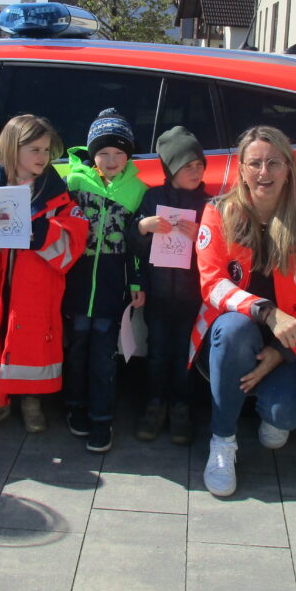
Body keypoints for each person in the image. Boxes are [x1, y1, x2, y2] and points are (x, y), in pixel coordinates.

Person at [193, 126, 296, 497]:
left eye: (274, 163)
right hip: (239, 329)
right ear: (241, 168)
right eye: (255, 163)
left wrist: (282, 351)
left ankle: (274, 412)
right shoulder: (217, 212)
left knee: (283, 416)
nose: (264, 172)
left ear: (289, 169)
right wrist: (267, 312)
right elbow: (212, 283)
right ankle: (223, 443)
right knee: (234, 329)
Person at [0, 114, 88, 431]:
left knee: (33, 339)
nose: (43, 157)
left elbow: (76, 237)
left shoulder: (56, 191)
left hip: (36, 285)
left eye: (46, 150)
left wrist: (42, 232)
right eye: (35, 150)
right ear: (14, 150)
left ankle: (32, 399)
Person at [62, 108, 148, 453]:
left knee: (103, 353)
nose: (111, 160)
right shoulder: (75, 181)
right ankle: (75, 407)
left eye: (118, 153)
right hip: (77, 281)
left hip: (113, 285)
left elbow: (139, 243)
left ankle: (101, 418)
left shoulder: (138, 189)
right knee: (77, 347)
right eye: (103, 153)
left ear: (128, 155)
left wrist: (137, 282)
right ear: (92, 154)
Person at [132, 125, 208, 445]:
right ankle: (154, 404)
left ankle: (180, 407)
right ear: (170, 169)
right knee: (158, 353)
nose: (195, 171)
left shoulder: (209, 203)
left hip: (192, 298)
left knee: (184, 355)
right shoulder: (152, 198)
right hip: (159, 295)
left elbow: (222, 250)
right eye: (186, 166)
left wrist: (202, 236)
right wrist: (143, 227)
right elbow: (132, 245)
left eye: (199, 164)